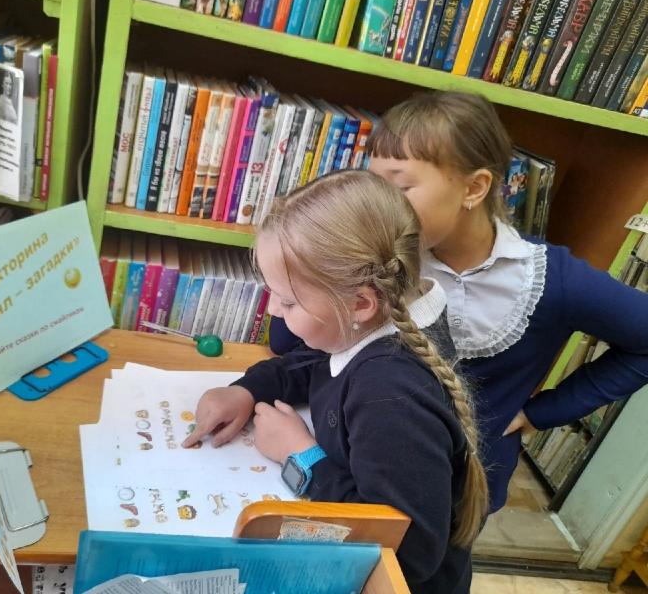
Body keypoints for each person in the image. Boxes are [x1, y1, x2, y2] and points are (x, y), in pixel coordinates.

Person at [269, 91, 648, 515]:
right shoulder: (387, 259)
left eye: (399, 187)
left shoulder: (548, 279)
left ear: (474, 187)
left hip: (457, 498)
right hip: (357, 466)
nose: (379, 203)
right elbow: (287, 342)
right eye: (372, 185)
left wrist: (541, 412)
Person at [183, 170, 488, 593]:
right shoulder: (379, 324)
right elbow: (315, 362)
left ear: (360, 303)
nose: (273, 310)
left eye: (288, 301)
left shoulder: (390, 395)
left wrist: (302, 457)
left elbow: (409, 552)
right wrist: (247, 390)